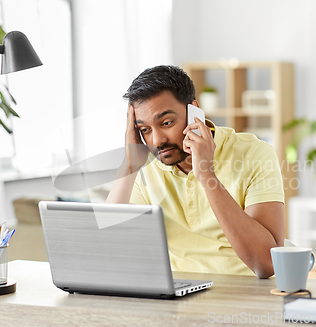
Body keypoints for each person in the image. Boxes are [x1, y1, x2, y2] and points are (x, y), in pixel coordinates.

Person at [106, 65, 284, 278]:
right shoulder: (144, 167)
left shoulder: (254, 153)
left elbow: (265, 264)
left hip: (244, 296)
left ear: (194, 113)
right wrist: (129, 164)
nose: (157, 140)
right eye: (145, 129)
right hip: (177, 297)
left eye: (166, 123)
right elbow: (110, 249)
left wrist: (206, 174)